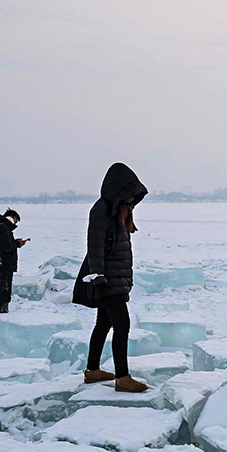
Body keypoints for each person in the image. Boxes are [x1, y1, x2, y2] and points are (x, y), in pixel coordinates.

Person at [73, 163, 149, 392]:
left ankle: (93, 371)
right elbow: (94, 246)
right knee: (122, 325)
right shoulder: (101, 210)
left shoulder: (120, 211)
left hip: (116, 278)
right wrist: (98, 276)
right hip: (106, 279)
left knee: (103, 323)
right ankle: (123, 378)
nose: (132, 199)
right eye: (128, 193)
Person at [0, 208, 25, 314]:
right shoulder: (3, 228)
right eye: (16, 221)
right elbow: (6, 247)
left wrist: (14, 242)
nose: (15, 224)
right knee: (4, 295)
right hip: (3, 267)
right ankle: (2, 318)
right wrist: (17, 244)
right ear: (14, 218)